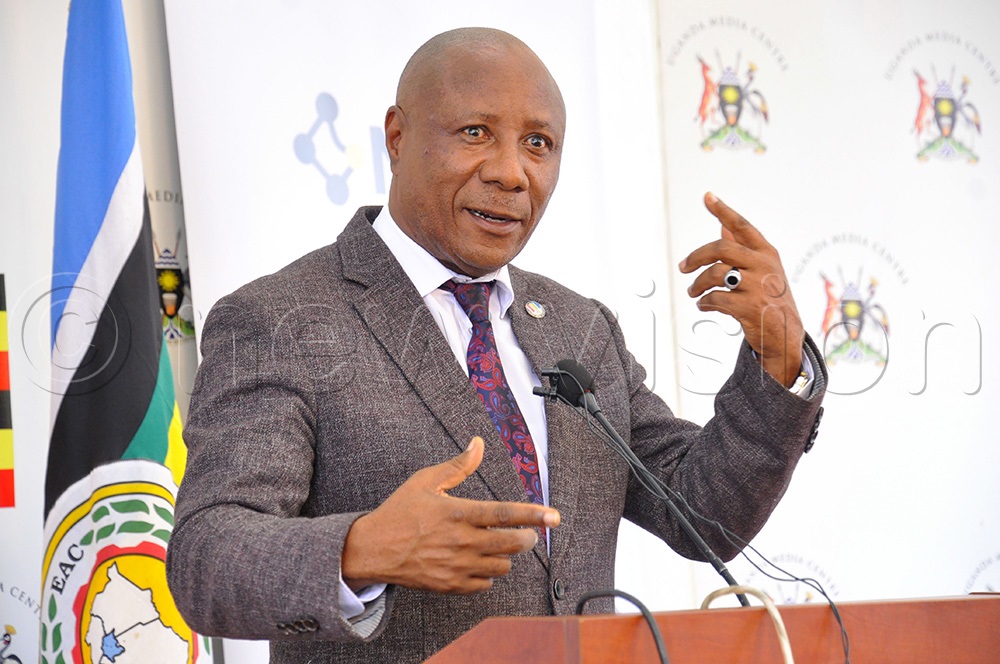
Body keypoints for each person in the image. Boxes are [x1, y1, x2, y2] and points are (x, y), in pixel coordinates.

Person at [166, 27, 826, 664]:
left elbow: (701, 514)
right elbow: (206, 560)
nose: (512, 173)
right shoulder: (281, 319)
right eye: (475, 132)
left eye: (538, 143)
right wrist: (361, 549)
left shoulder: (579, 327)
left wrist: (777, 362)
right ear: (397, 137)